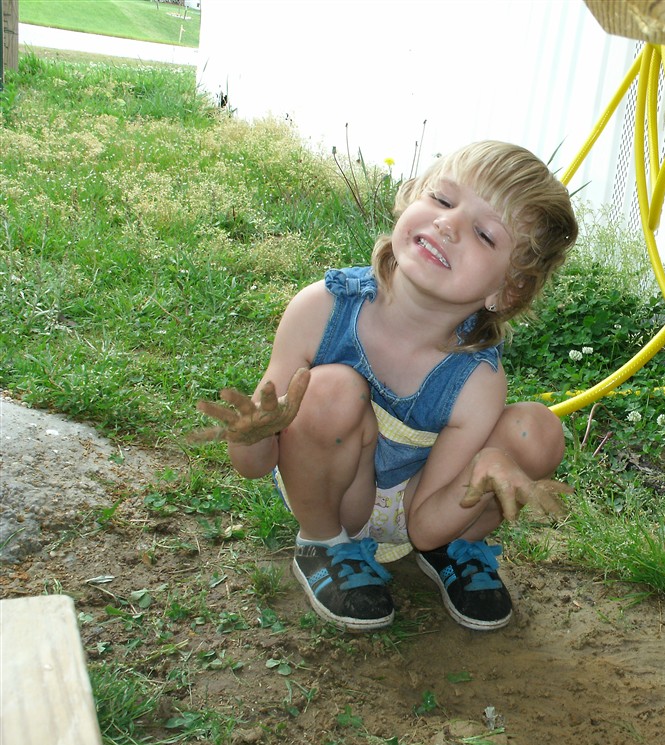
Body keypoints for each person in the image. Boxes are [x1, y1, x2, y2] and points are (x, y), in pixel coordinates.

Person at [192, 141, 578, 632]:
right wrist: (250, 435)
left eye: (484, 234)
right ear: (412, 197)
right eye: (441, 199)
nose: (449, 224)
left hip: (421, 508)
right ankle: (323, 545)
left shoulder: (478, 381)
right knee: (330, 389)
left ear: (508, 290)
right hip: (333, 493)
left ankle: (457, 552)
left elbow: (424, 526)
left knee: (536, 431)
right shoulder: (320, 309)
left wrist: (483, 472)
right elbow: (253, 466)